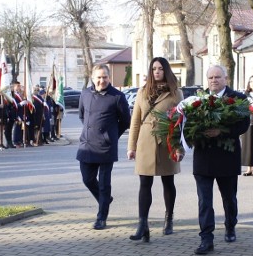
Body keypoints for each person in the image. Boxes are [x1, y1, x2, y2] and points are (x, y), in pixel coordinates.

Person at [192, 65, 250, 255]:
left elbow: (244, 124)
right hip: (203, 158)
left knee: (229, 198)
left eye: (218, 77)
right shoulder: (197, 100)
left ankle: (230, 225)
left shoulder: (238, 99)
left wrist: (222, 131)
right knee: (204, 201)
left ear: (226, 78)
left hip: (227, 157)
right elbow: (187, 124)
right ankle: (206, 238)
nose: (214, 80)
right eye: (210, 78)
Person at [126, 57, 183, 242]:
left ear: (166, 70)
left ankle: (169, 218)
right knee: (145, 183)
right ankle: (143, 224)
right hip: (146, 141)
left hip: (167, 140)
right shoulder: (143, 92)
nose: (156, 72)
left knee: (168, 181)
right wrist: (131, 147)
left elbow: (181, 122)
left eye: (160, 68)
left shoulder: (175, 93)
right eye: (153, 69)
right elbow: (135, 121)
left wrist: (178, 146)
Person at [77, 64, 131, 230]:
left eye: (105, 77)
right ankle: (105, 199)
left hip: (106, 146)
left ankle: (102, 217)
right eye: (99, 77)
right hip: (87, 144)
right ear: (93, 78)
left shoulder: (117, 96)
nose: (102, 80)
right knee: (87, 179)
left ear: (109, 78)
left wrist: (111, 135)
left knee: (104, 184)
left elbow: (126, 121)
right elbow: (81, 115)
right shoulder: (85, 94)